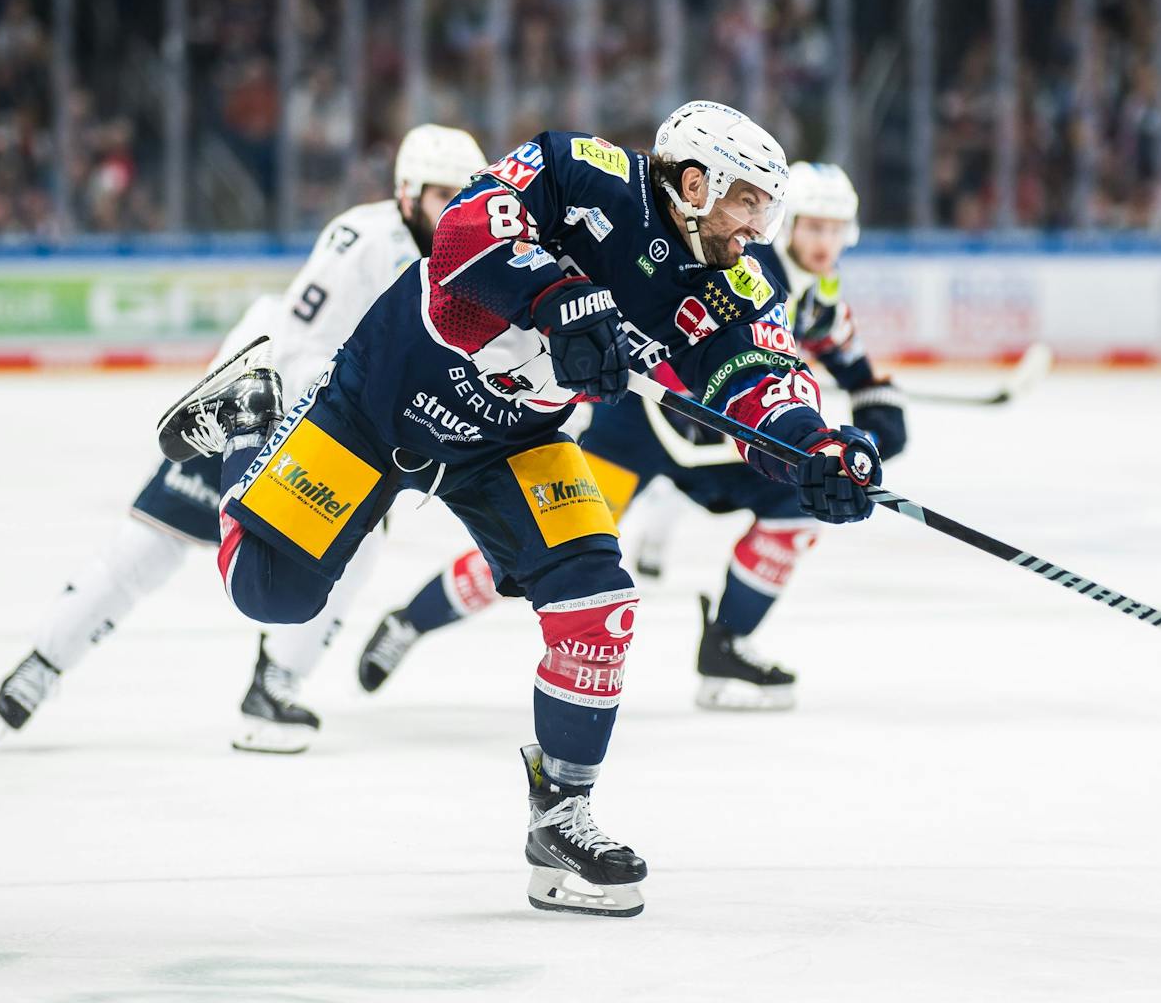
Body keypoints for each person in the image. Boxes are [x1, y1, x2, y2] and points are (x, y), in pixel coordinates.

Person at [153, 103, 882, 917]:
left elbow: (758, 375)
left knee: (598, 604)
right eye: (748, 201)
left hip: (513, 440)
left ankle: (561, 816)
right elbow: (466, 229)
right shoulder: (584, 170)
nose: (759, 225)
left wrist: (812, 447)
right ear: (693, 181)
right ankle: (250, 421)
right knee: (269, 593)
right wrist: (560, 295)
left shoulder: (733, 282)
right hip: (387, 396)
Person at [0, 124, 487, 753]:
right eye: (446, 193)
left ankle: (274, 683)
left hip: (333, 423)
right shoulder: (363, 237)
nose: (460, 207)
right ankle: (43, 663)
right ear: (408, 193)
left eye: (468, 192)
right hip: (253, 398)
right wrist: (288, 432)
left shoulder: (464, 255)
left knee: (355, 552)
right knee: (149, 548)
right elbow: (299, 342)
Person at [355, 162, 906, 711]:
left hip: (716, 446)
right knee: (539, 553)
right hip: (634, 434)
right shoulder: (738, 259)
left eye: (835, 230)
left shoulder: (819, 294)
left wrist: (874, 407)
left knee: (794, 508)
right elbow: (671, 332)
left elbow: (841, 358)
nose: (824, 242)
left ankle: (727, 644)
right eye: (813, 226)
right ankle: (412, 620)